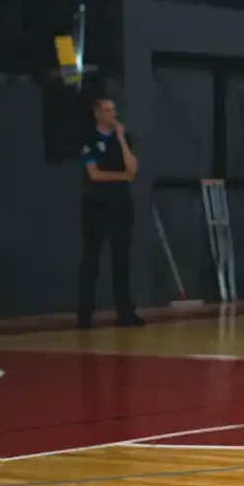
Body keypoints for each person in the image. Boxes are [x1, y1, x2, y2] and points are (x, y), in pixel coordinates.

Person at [78, 96, 143, 328]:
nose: (112, 115)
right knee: (92, 258)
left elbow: (133, 169)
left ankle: (125, 311)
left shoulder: (122, 137)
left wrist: (121, 140)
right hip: (96, 205)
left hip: (121, 204)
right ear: (97, 114)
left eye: (114, 110)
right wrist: (121, 177)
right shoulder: (90, 139)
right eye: (107, 111)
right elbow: (94, 174)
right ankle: (85, 314)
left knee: (122, 258)